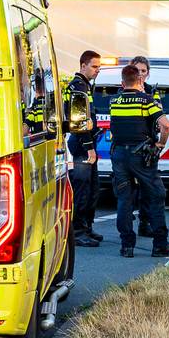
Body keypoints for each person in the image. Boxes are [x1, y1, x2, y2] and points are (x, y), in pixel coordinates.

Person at [109, 65, 169, 258]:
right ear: (140, 81)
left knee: (124, 199)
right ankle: (159, 245)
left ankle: (126, 246)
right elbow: (166, 125)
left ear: (122, 83)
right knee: (156, 196)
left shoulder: (115, 101)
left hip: (120, 155)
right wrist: (160, 145)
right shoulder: (146, 100)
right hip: (142, 156)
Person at [64, 50, 102, 247]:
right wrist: (89, 148)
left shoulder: (85, 86)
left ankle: (87, 226)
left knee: (93, 188)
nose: (98, 70)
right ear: (83, 65)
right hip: (81, 145)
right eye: (94, 66)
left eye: (99, 67)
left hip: (86, 142)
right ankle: (78, 231)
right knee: (82, 189)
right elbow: (79, 122)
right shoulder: (78, 87)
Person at [127, 56, 162, 238]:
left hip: (147, 146)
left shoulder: (151, 92)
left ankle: (145, 222)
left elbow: (158, 118)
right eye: (137, 70)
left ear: (148, 73)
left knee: (148, 189)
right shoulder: (124, 91)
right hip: (128, 148)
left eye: (143, 71)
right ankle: (126, 228)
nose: (140, 74)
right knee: (127, 190)